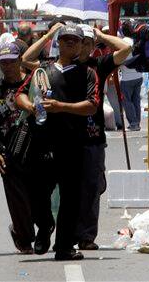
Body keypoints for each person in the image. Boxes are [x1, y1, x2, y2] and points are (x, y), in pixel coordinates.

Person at [17, 24, 98, 261]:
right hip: (42, 143)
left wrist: (63, 107)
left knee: (71, 198)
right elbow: (20, 93)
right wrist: (30, 106)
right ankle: (44, 227)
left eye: (76, 40)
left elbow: (91, 105)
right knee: (37, 193)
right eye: (66, 40)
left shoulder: (88, 73)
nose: (70, 43)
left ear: (83, 45)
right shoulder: (43, 70)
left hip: (73, 144)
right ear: (58, 43)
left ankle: (63, 247)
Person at [0, 42, 37, 254]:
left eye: (11, 61)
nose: (7, 66)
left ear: (20, 60)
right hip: (9, 151)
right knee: (17, 200)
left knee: (36, 196)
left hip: (35, 148)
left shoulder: (32, 83)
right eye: (3, 63)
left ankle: (29, 228)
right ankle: (23, 238)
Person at [120, 37, 144, 131]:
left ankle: (134, 124)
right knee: (136, 101)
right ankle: (137, 122)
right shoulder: (136, 49)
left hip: (127, 79)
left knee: (127, 102)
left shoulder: (122, 51)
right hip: (138, 77)